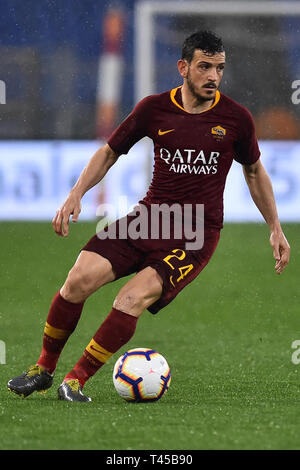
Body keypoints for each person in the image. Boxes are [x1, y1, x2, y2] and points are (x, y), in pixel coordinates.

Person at [7, 31, 290, 402]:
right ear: (183, 68)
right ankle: (43, 369)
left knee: (129, 299)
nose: (213, 76)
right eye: (205, 67)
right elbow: (110, 152)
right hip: (150, 219)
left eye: (220, 68)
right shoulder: (154, 108)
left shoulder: (235, 119)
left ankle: (75, 381)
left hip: (195, 235)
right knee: (77, 280)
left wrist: (275, 228)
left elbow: (254, 171)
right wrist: (76, 193)